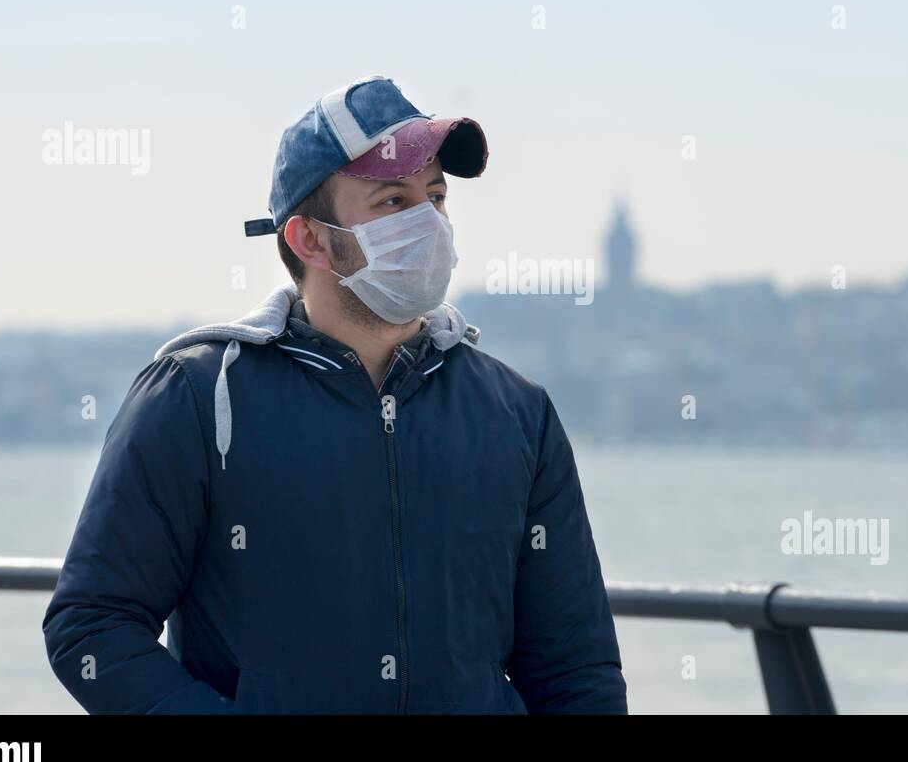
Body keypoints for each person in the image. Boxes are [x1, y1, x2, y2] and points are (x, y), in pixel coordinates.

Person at [42, 74, 627, 714]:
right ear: (309, 239)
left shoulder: (516, 412)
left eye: (436, 196)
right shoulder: (198, 396)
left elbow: (575, 669)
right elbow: (94, 625)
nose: (430, 223)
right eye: (394, 203)